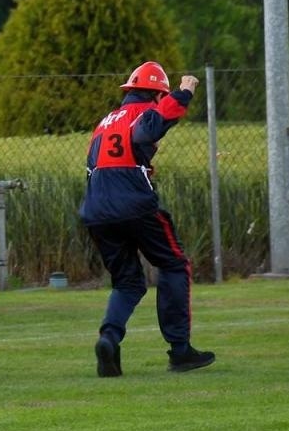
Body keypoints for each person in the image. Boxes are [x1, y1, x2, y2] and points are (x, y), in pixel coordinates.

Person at [83, 61, 215, 377]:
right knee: (173, 264)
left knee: (128, 281)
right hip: (134, 203)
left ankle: (109, 340)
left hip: (96, 210)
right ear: (155, 95)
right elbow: (147, 129)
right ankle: (180, 350)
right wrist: (183, 93)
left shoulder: (104, 122)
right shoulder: (142, 113)